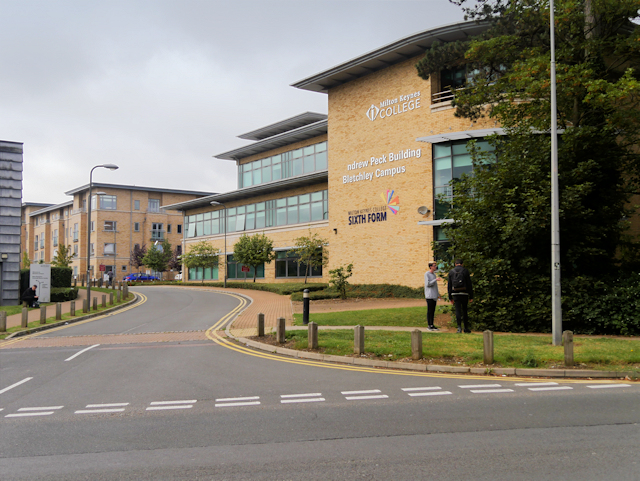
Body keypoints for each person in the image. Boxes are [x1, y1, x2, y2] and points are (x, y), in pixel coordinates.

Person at [447, 259, 473, 333]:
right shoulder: (465, 271)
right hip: (464, 293)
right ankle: (466, 328)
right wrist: (471, 296)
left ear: (455, 264)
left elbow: (449, 285)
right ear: (462, 264)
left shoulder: (451, 272)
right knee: (465, 311)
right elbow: (469, 284)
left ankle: (459, 328)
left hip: (455, 294)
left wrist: (450, 297)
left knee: (458, 311)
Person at [424, 262, 440, 331]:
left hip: (434, 295)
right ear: (430, 267)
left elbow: (435, 286)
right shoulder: (427, 274)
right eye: (434, 266)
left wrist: (438, 294)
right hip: (429, 295)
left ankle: (432, 324)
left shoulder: (434, 274)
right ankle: (429, 325)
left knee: (433, 311)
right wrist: (435, 280)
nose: (435, 267)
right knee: (430, 311)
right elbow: (428, 284)